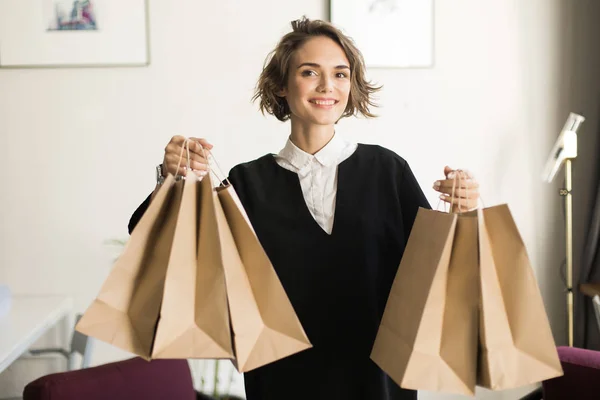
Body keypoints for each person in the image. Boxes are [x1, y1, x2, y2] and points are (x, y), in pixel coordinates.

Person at [128, 17, 479, 400]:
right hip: (281, 382)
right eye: (310, 72)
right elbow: (157, 245)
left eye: (340, 74)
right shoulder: (245, 183)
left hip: (377, 382)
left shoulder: (387, 171)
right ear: (281, 84)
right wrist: (172, 178)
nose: (328, 86)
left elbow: (439, 273)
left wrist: (464, 209)